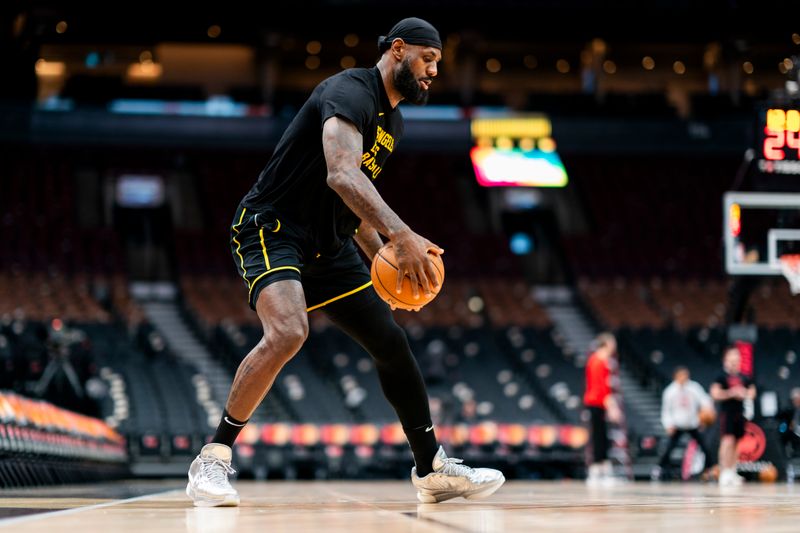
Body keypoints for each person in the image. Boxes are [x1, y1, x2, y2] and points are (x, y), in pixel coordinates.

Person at [186, 17, 505, 507]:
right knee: (289, 331)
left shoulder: (391, 122)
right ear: (398, 50)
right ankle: (212, 459)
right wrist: (403, 237)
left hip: (329, 245)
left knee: (390, 341)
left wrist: (388, 260)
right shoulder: (349, 92)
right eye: (428, 59)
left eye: (438, 64)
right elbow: (342, 176)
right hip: (273, 227)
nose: (433, 71)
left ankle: (431, 470)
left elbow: (352, 211)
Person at [652, 366, 714, 481]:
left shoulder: (694, 387)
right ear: (675, 376)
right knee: (669, 448)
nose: (683, 378)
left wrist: (706, 412)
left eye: (685, 375)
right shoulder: (670, 391)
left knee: (705, 446)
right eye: (681, 375)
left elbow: (705, 399)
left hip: (692, 423)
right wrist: (668, 425)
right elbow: (666, 410)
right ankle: (659, 469)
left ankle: (710, 469)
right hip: (678, 425)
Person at [710, 346, 756, 486]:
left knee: (736, 442)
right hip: (727, 413)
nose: (734, 361)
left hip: (740, 413)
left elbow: (752, 393)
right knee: (727, 441)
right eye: (731, 358)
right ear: (726, 360)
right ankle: (723, 471)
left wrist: (744, 393)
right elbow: (715, 393)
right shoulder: (721, 376)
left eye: (736, 359)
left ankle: (732, 470)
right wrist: (731, 393)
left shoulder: (745, 377)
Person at [583, 332, 622, 485]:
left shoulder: (599, 360)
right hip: (596, 402)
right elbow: (601, 387)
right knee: (599, 437)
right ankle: (598, 472)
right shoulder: (599, 361)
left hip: (598, 402)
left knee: (602, 437)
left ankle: (602, 470)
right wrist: (612, 406)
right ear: (606, 343)